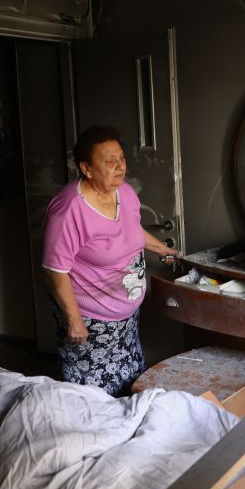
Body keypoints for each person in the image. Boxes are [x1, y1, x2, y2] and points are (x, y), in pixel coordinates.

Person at [42, 126, 177, 395]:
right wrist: (74, 320)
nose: (120, 167)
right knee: (95, 401)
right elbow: (55, 271)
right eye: (109, 161)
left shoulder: (125, 193)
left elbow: (131, 230)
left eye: (122, 158)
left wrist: (162, 249)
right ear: (87, 168)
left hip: (126, 321)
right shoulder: (69, 210)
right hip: (91, 325)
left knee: (131, 388)